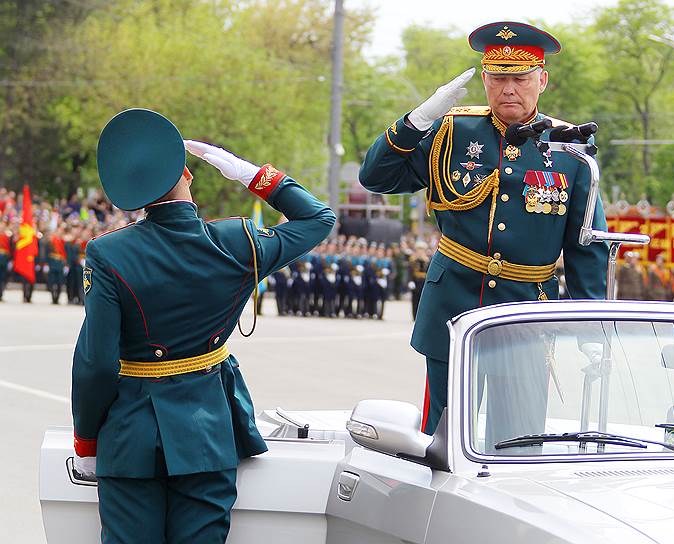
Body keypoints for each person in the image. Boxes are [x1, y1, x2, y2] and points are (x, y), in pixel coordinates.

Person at [70, 109, 335, 542]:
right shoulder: (236, 242)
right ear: (188, 173)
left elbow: (96, 363)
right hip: (207, 429)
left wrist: (86, 440)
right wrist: (249, 173)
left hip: (130, 435)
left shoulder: (108, 253)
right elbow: (318, 218)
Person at [359, 21, 608, 434]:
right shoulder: (451, 132)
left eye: (521, 78)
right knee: (441, 439)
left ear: (542, 80)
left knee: (518, 439)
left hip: (525, 313)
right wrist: (416, 121)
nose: (509, 89)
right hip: (453, 305)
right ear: (485, 81)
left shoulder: (570, 148)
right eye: (498, 78)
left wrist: (591, 325)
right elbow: (376, 178)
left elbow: (587, 245)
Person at [408, 240, 430, 320]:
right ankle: (414, 316)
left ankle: (420, 317)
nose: (420, 252)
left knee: (422, 301)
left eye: (422, 250)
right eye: (419, 250)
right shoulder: (413, 260)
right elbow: (410, 271)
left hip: (423, 282)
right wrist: (410, 281)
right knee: (414, 300)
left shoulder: (427, 260)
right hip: (415, 281)